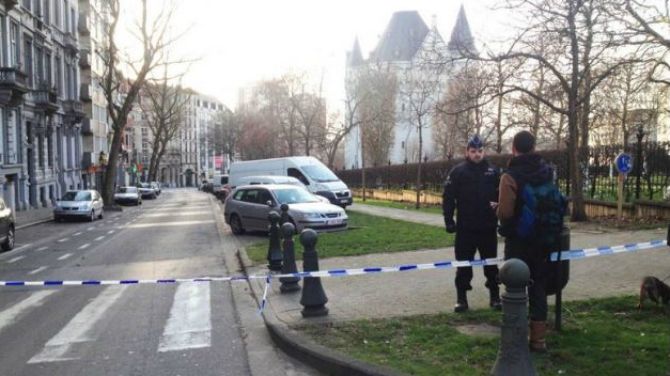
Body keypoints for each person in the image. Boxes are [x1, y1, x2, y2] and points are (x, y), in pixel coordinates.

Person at [497, 130, 565, 353]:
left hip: (519, 239)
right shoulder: (547, 172)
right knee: (538, 287)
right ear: (534, 147)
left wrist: (496, 209)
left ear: (514, 149)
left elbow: (506, 212)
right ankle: (538, 340)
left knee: (515, 285)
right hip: (544, 239)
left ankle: (515, 335)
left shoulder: (510, 175)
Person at [443, 135, 501, 313]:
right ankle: (461, 299)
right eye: (473, 151)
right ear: (467, 152)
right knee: (463, 266)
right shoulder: (458, 172)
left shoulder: (493, 171)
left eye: (480, 151)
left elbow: (503, 196)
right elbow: (448, 198)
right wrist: (449, 220)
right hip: (465, 228)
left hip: (488, 227)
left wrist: (502, 213)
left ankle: (495, 297)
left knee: (491, 265)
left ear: (484, 151)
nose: (477, 154)